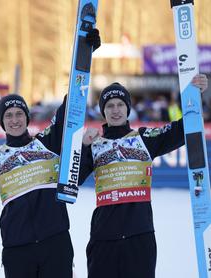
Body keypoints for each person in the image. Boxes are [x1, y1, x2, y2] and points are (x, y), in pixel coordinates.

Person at [0, 27, 101, 278]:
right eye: (8, 115)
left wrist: (85, 58)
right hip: (17, 250)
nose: (14, 119)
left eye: (19, 113)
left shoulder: (47, 142)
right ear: (1, 122)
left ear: (27, 117)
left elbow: (71, 104)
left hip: (56, 243)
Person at [80, 74, 208, 278]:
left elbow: (181, 130)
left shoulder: (144, 138)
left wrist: (195, 95)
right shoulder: (95, 144)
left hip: (139, 236)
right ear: (103, 111)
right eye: (110, 105)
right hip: (103, 237)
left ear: (128, 108)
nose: (115, 110)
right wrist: (83, 146)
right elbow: (72, 181)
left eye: (120, 104)